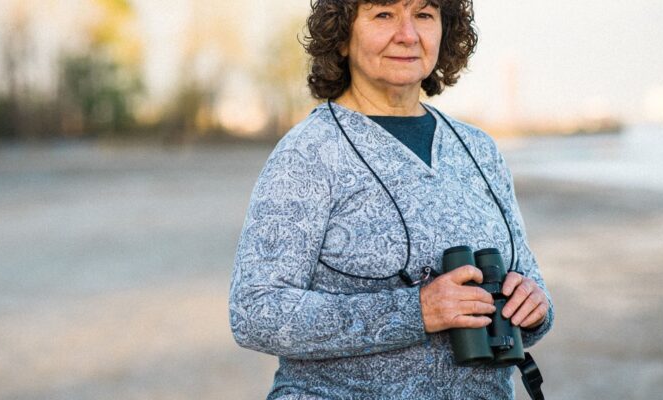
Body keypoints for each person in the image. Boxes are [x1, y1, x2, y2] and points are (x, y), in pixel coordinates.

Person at [229, 0, 553, 398]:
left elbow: (531, 284)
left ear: (444, 31)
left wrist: (534, 307)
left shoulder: (479, 149)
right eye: (383, 14)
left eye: (424, 14)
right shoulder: (308, 153)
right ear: (342, 36)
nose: (407, 34)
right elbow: (254, 312)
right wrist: (417, 311)